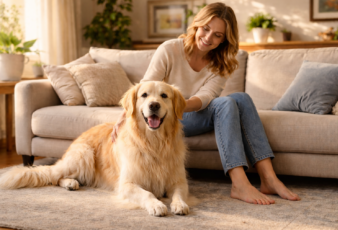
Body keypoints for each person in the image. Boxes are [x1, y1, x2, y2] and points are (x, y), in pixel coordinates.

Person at [112, 2, 300, 205]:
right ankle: (239, 184)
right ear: (197, 25)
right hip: (170, 118)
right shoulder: (170, 49)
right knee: (226, 103)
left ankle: (269, 179)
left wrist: (177, 104)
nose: (209, 38)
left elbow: (206, 97)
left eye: (218, 35)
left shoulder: (223, 62)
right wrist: (124, 118)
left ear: (225, 39)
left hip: (189, 111)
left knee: (241, 98)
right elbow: (145, 89)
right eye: (206, 29)